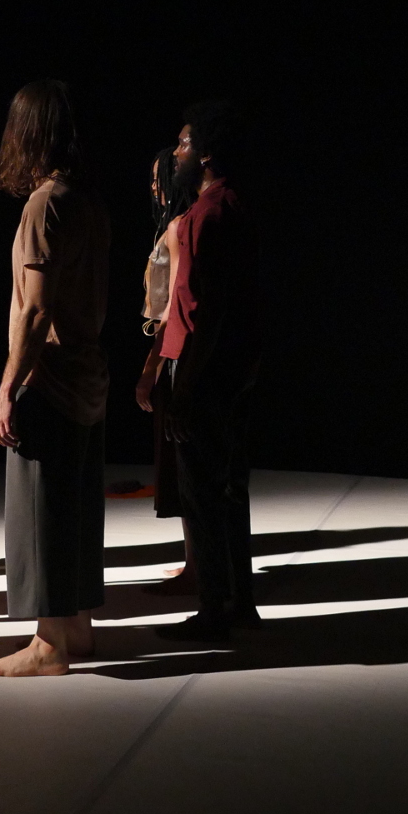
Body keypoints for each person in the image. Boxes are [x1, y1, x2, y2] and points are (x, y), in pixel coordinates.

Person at [0, 80, 112, 678]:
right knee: (75, 506)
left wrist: (9, 388)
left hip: (52, 377)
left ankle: (48, 644)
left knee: (41, 513)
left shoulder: (44, 204)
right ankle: (77, 629)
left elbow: (34, 310)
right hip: (87, 372)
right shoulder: (88, 201)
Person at [150, 102, 262, 642]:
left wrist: (184, 386)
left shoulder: (206, 217)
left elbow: (201, 310)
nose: (177, 154)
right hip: (232, 371)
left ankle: (216, 607)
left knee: (202, 493)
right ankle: (238, 603)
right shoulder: (234, 206)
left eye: (184, 144)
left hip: (205, 372)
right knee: (228, 490)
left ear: (207, 154)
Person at [135, 146, 198, 592]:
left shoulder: (179, 227)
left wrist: (151, 367)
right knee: (181, 464)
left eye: (159, 178)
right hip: (170, 347)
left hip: (175, 352)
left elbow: (176, 305)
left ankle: (198, 567)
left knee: (185, 463)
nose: (154, 188)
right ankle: (195, 563)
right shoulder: (171, 226)